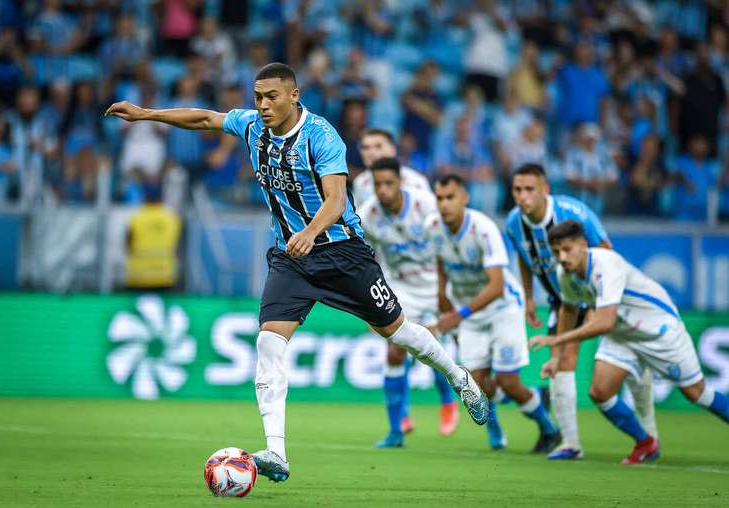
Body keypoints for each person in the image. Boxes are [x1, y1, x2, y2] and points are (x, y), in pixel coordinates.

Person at [105, 62, 488, 483]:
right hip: (291, 258)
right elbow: (205, 119)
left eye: (271, 97)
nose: (263, 105)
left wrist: (309, 232)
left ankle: (459, 377)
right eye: (257, 97)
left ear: (294, 95)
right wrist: (146, 114)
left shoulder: (321, 136)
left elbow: (336, 199)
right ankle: (276, 452)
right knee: (268, 343)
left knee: (398, 333)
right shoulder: (252, 127)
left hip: (342, 254)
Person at [531, 221, 729, 464]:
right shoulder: (565, 274)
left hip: (658, 330)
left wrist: (557, 339)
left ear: (582, 245)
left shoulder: (606, 264)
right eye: (556, 252)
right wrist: (557, 356)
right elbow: (569, 310)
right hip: (622, 335)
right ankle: (646, 443)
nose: (562, 257)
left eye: (567, 249)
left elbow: (604, 322)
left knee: (697, 394)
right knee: (599, 392)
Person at [505, 163, 656, 460]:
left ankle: (650, 430)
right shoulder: (513, 223)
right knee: (560, 361)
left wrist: (600, 302)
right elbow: (524, 256)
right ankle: (570, 443)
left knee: (630, 363)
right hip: (563, 299)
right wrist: (529, 297)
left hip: (600, 296)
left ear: (545, 189)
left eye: (529, 189)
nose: (522, 196)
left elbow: (606, 251)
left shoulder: (574, 212)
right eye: (517, 190)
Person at [426, 174, 560, 453]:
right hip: (468, 314)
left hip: (503, 308)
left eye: (450, 197)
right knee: (475, 385)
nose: (444, 204)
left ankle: (549, 429)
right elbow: (441, 267)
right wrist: (443, 303)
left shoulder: (483, 229)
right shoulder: (433, 227)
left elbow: (497, 286)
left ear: (465, 198)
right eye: (439, 198)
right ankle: (504, 425)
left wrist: (457, 316)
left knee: (508, 382)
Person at [359, 157, 459, 449]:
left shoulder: (425, 205)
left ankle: (449, 401)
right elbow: (365, 261)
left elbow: (448, 242)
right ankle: (395, 431)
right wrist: (370, 306)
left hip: (436, 283)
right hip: (401, 287)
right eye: (378, 184)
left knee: (433, 346)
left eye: (389, 183)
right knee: (394, 353)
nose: (383, 190)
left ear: (400, 182)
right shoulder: (367, 215)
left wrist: (447, 291)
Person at [352, 128, 431, 212]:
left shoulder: (416, 181)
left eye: (378, 146)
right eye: (365, 148)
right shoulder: (360, 182)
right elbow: (357, 216)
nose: (371, 153)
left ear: (393, 149)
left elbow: (430, 214)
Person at [125, 185, 182, 289]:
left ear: (145, 198)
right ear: (160, 199)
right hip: (165, 275)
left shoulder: (136, 218)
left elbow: (127, 243)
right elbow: (177, 244)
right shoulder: (172, 218)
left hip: (139, 275)